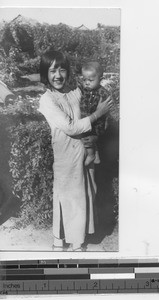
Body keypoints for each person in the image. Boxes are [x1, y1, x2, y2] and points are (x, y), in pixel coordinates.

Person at [38, 50, 112, 251]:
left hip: (84, 151)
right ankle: (62, 241)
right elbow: (70, 126)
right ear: (46, 73)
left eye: (62, 69)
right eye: (53, 70)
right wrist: (98, 114)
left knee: (83, 195)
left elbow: (93, 92)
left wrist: (104, 96)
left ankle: (77, 239)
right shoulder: (47, 99)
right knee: (66, 196)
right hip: (65, 155)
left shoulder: (72, 93)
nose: (58, 75)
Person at [79, 61, 110, 166]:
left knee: (87, 138)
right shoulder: (84, 90)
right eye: (84, 79)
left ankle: (91, 155)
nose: (87, 82)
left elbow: (108, 103)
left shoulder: (102, 92)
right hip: (89, 119)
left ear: (100, 80)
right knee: (88, 136)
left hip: (97, 122)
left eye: (91, 80)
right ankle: (96, 154)